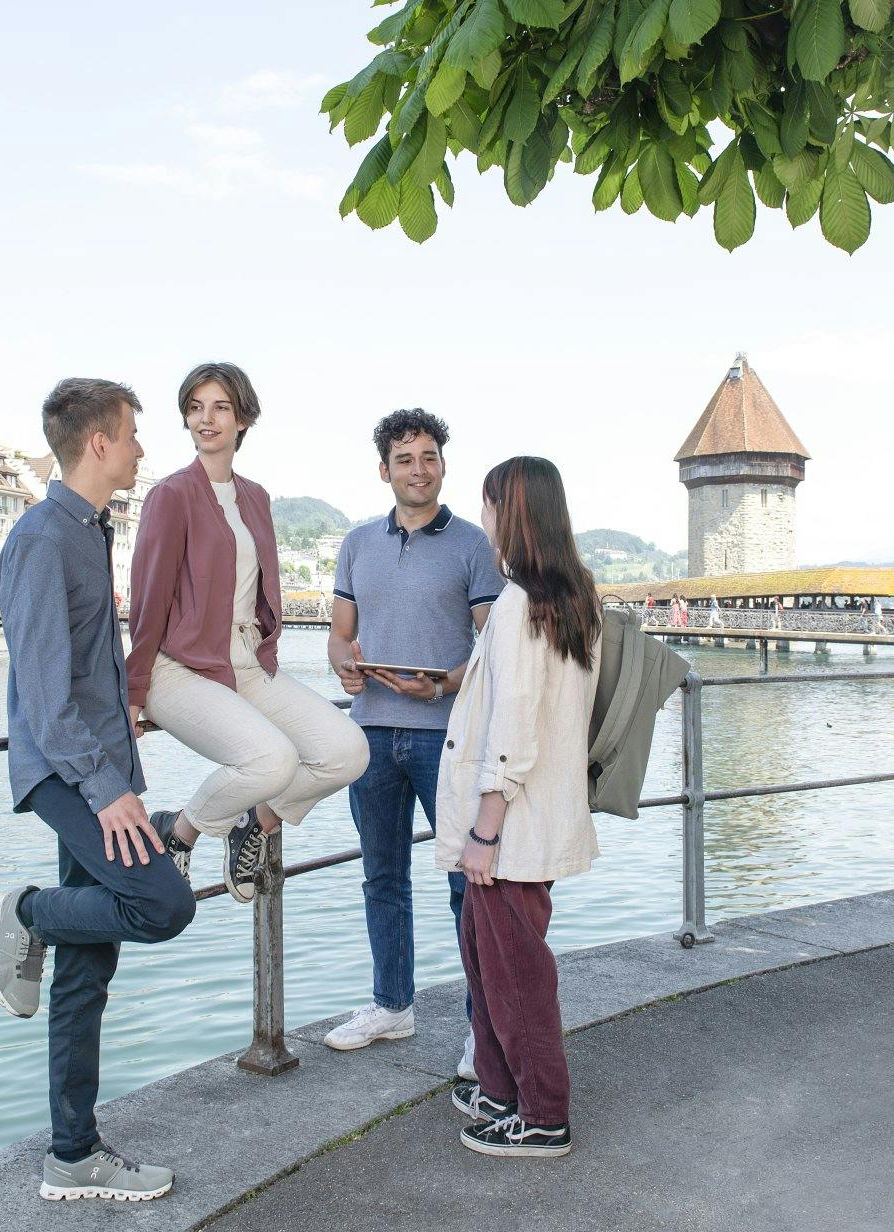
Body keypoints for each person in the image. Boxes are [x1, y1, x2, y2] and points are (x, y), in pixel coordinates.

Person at [0, 377, 197, 1203]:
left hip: (99, 769)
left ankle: (73, 1155)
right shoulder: (43, 538)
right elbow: (42, 695)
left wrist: (124, 725)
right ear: (99, 443)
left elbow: (79, 666)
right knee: (163, 904)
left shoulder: (88, 530)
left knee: (85, 968)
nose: (144, 448)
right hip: (71, 777)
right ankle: (27, 912)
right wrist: (109, 791)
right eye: (134, 435)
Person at [127, 362, 369, 901]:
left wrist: (265, 650)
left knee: (347, 750)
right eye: (195, 407)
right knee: (271, 758)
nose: (205, 419)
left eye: (220, 408)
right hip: (180, 667)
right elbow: (147, 602)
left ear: (243, 420)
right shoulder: (171, 496)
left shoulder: (256, 498)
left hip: (246, 661)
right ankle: (180, 832)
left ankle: (255, 824)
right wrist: (134, 695)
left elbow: (261, 591)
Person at [321, 409, 505, 1074]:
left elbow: (496, 641)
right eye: (405, 459)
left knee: (467, 883)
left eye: (428, 457)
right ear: (385, 470)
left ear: (442, 466)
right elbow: (341, 632)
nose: (418, 469)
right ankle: (392, 1007)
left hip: (447, 736)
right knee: (382, 878)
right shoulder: (356, 543)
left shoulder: (472, 548)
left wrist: (451, 681)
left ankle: (481, 1029)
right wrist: (344, 660)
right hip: (369, 731)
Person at [438, 455, 602, 1160]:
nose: (485, 518)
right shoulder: (572, 597)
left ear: (513, 515)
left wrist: (484, 831)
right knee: (490, 960)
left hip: (513, 829)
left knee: (514, 977)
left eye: (490, 505)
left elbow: (514, 723)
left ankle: (543, 1114)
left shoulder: (516, 605)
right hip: (540, 819)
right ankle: (502, 1092)